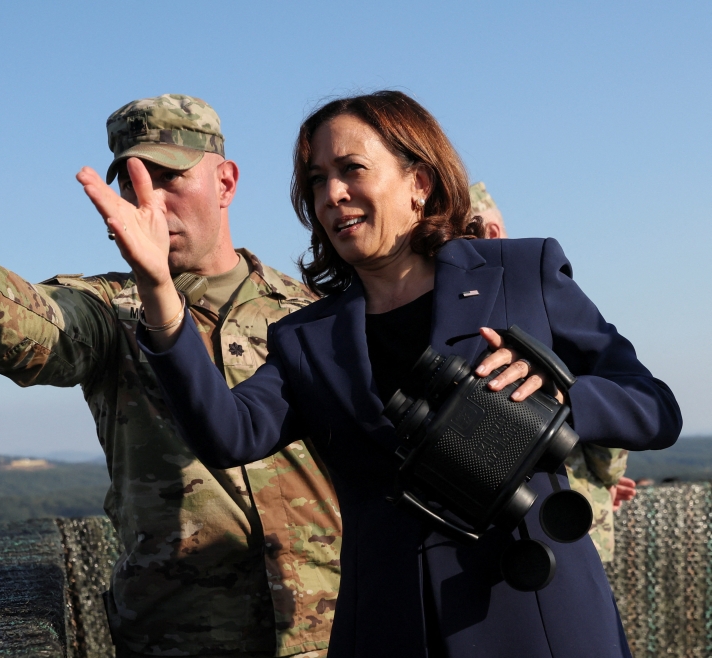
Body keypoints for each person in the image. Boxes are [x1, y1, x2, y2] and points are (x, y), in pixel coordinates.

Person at [80, 90, 683, 657]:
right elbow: (228, 435)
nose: (332, 194)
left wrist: (562, 399)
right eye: (317, 180)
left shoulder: (521, 272)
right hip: (387, 623)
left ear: (419, 182)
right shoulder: (307, 336)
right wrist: (158, 288)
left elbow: (655, 408)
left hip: (535, 612)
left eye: (352, 169)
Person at [0, 94, 341, 658]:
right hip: (178, 640)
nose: (150, 201)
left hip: (329, 631)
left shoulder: (309, 311)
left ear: (225, 182)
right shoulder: (113, 309)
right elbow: (39, 326)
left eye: (169, 177)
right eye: (132, 182)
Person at [468, 181, 637, 562]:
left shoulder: (462, 313)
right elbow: (609, 434)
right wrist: (608, 479)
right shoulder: (542, 309)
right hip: (572, 517)